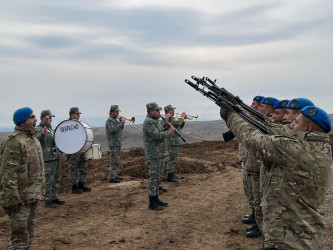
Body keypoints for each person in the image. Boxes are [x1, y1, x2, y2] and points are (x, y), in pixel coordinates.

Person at [220, 103, 332, 249]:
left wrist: (231, 115)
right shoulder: (320, 148)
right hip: (305, 235)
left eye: (296, 122)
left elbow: (253, 140)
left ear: (308, 129)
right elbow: (278, 130)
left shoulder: (295, 149)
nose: (291, 125)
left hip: (289, 239)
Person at [0, 107, 45, 249]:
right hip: (20, 200)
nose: (35, 119)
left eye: (34, 116)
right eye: (31, 117)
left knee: (29, 235)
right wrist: (12, 198)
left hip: (32, 196)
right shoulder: (14, 142)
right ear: (21, 123)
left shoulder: (33, 140)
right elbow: (8, 172)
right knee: (19, 238)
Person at [143, 102, 176, 210]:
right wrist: (170, 132)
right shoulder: (149, 122)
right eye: (157, 110)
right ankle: (152, 203)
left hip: (159, 153)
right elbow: (156, 135)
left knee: (158, 177)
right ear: (151, 111)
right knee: (154, 178)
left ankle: (156, 199)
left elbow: (160, 131)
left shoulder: (155, 121)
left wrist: (166, 127)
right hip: (154, 154)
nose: (159, 112)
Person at [35, 110, 64, 208]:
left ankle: (54, 197)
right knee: (48, 179)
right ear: (44, 118)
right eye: (49, 118)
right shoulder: (38, 129)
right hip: (47, 159)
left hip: (55, 156)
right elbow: (36, 140)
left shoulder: (51, 129)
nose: (51, 120)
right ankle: (47, 199)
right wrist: (42, 134)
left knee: (56, 178)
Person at [66, 107, 91, 194]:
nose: (79, 115)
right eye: (77, 114)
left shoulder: (78, 124)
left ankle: (81, 184)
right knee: (73, 168)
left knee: (82, 167)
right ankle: (74, 187)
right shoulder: (67, 125)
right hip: (72, 150)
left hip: (80, 149)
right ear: (72, 114)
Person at [160, 105, 186, 182]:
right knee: (172, 159)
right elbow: (177, 123)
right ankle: (170, 176)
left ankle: (172, 175)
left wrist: (183, 119)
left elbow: (179, 127)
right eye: (171, 110)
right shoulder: (168, 119)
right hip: (172, 142)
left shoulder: (172, 118)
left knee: (174, 158)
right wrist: (182, 117)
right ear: (168, 111)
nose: (173, 111)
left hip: (175, 141)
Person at [105, 105, 125, 183]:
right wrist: (120, 123)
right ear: (112, 112)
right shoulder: (110, 120)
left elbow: (120, 129)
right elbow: (113, 129)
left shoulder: (115, 120)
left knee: (116, 160)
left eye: (118, 111)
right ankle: (112, 176)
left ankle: (114, 174)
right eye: (116, 111)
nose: (118, 113)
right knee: (114, 160)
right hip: (113, 143)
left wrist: (121, 123)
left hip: (117, 142)